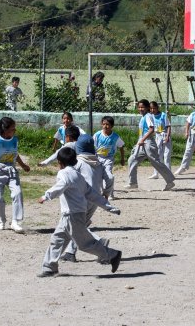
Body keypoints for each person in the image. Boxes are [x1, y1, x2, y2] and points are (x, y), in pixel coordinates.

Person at [37, 147, 122, 277]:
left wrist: (46, 196)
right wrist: (109, 207)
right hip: (73, 214)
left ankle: (112, 255)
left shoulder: (63, 173)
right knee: (57, 239)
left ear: (59, 162)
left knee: (84, 244)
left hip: (72, 215)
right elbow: (93, 194)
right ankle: (50, 267)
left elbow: (61, 185)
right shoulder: (79, 176)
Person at [62, 133, 111, 263]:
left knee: (76, 226)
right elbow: (110, 178)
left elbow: (69, 176)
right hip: (94, 200)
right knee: (79, 226)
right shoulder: (99, 163)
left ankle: (100, 242)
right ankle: (70, 252)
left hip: (80, 199)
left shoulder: (78, 162)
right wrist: (106, 192)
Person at [127, 99, 176, 191]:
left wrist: (143, 139)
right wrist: (140, 141)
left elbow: (151, 129)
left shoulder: (148, 116)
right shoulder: (143, 117)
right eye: (139, 107)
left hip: (148, 143)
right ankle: (132, 183)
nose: (141, 109)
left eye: (143, 107)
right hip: (142, 143)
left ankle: (170, 181)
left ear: (147, 108)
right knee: (132, 160)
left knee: (156, 163)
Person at [93, 116, 125, 200]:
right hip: (98, 158)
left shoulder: (115, 137)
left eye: (107, 124)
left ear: (112, 126)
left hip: (109, 159)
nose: (105, 126)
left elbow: (121, 146)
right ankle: (102, 193)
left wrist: (122, 159)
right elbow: (92, 146)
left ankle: (110, 194)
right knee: (99, 176)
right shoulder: (97, 135)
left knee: (108, 175)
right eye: (103, 124)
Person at [148, 101, 172, 180]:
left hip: (165, 135)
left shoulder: (163, 115)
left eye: (154, 108)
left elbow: (168, 126)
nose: (152, 110)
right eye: (151, 108)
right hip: (158, 136)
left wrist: (167, 136)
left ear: (157, 108)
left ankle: (168, 174)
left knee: (166, 155)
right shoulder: (151, 116)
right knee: (157, 156)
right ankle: (156, 173)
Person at [175, 109, 195, 175]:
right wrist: (186, 132)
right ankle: (183, 167)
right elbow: (188, 123)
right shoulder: (193, 114)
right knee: (188, 150)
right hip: (192, 134)